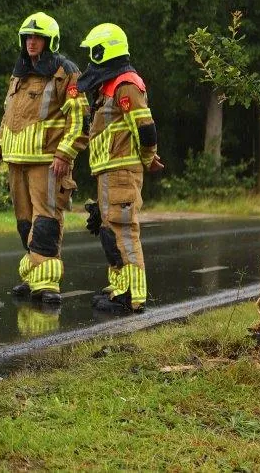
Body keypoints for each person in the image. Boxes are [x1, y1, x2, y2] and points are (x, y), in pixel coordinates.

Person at [0, 12, 86, 305]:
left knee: (46, 221)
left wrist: (65, 153)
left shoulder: (65, 72)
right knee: (24, 223)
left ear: (49, 41)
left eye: (37, 37)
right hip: (16, 160)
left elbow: (80, 117)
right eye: (28, 37)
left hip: (47, 161)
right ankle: (33, 277)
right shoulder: (18, 74)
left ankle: (48, 284)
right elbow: (8, 117)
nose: (31, 42)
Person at [76, 23, 162, 314]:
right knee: (108, 230)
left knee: (123, 231)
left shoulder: (127, 83)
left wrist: (149, 158)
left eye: (93, 51)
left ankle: (132, 296)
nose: (90, 58)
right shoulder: (108, 86)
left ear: (105, 51)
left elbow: (145, 127)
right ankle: (119, 287)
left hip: (122, 170)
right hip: (108, 171)